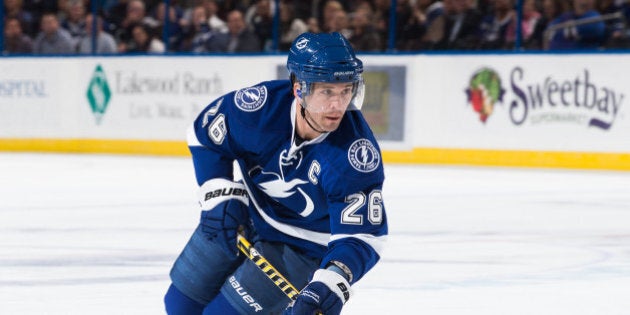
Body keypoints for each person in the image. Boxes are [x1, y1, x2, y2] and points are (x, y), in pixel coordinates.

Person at [164, 32, 388, 315]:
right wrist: (218, 193)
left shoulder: (354, 156)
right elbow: (204, 135)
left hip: (302, 246)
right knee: (179, 305)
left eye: (345, 91)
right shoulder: (258, 109)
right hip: (245, 217)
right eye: (327, 92)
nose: (337, 105)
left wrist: (333, 279)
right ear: (299, 88)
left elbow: (364, 236)